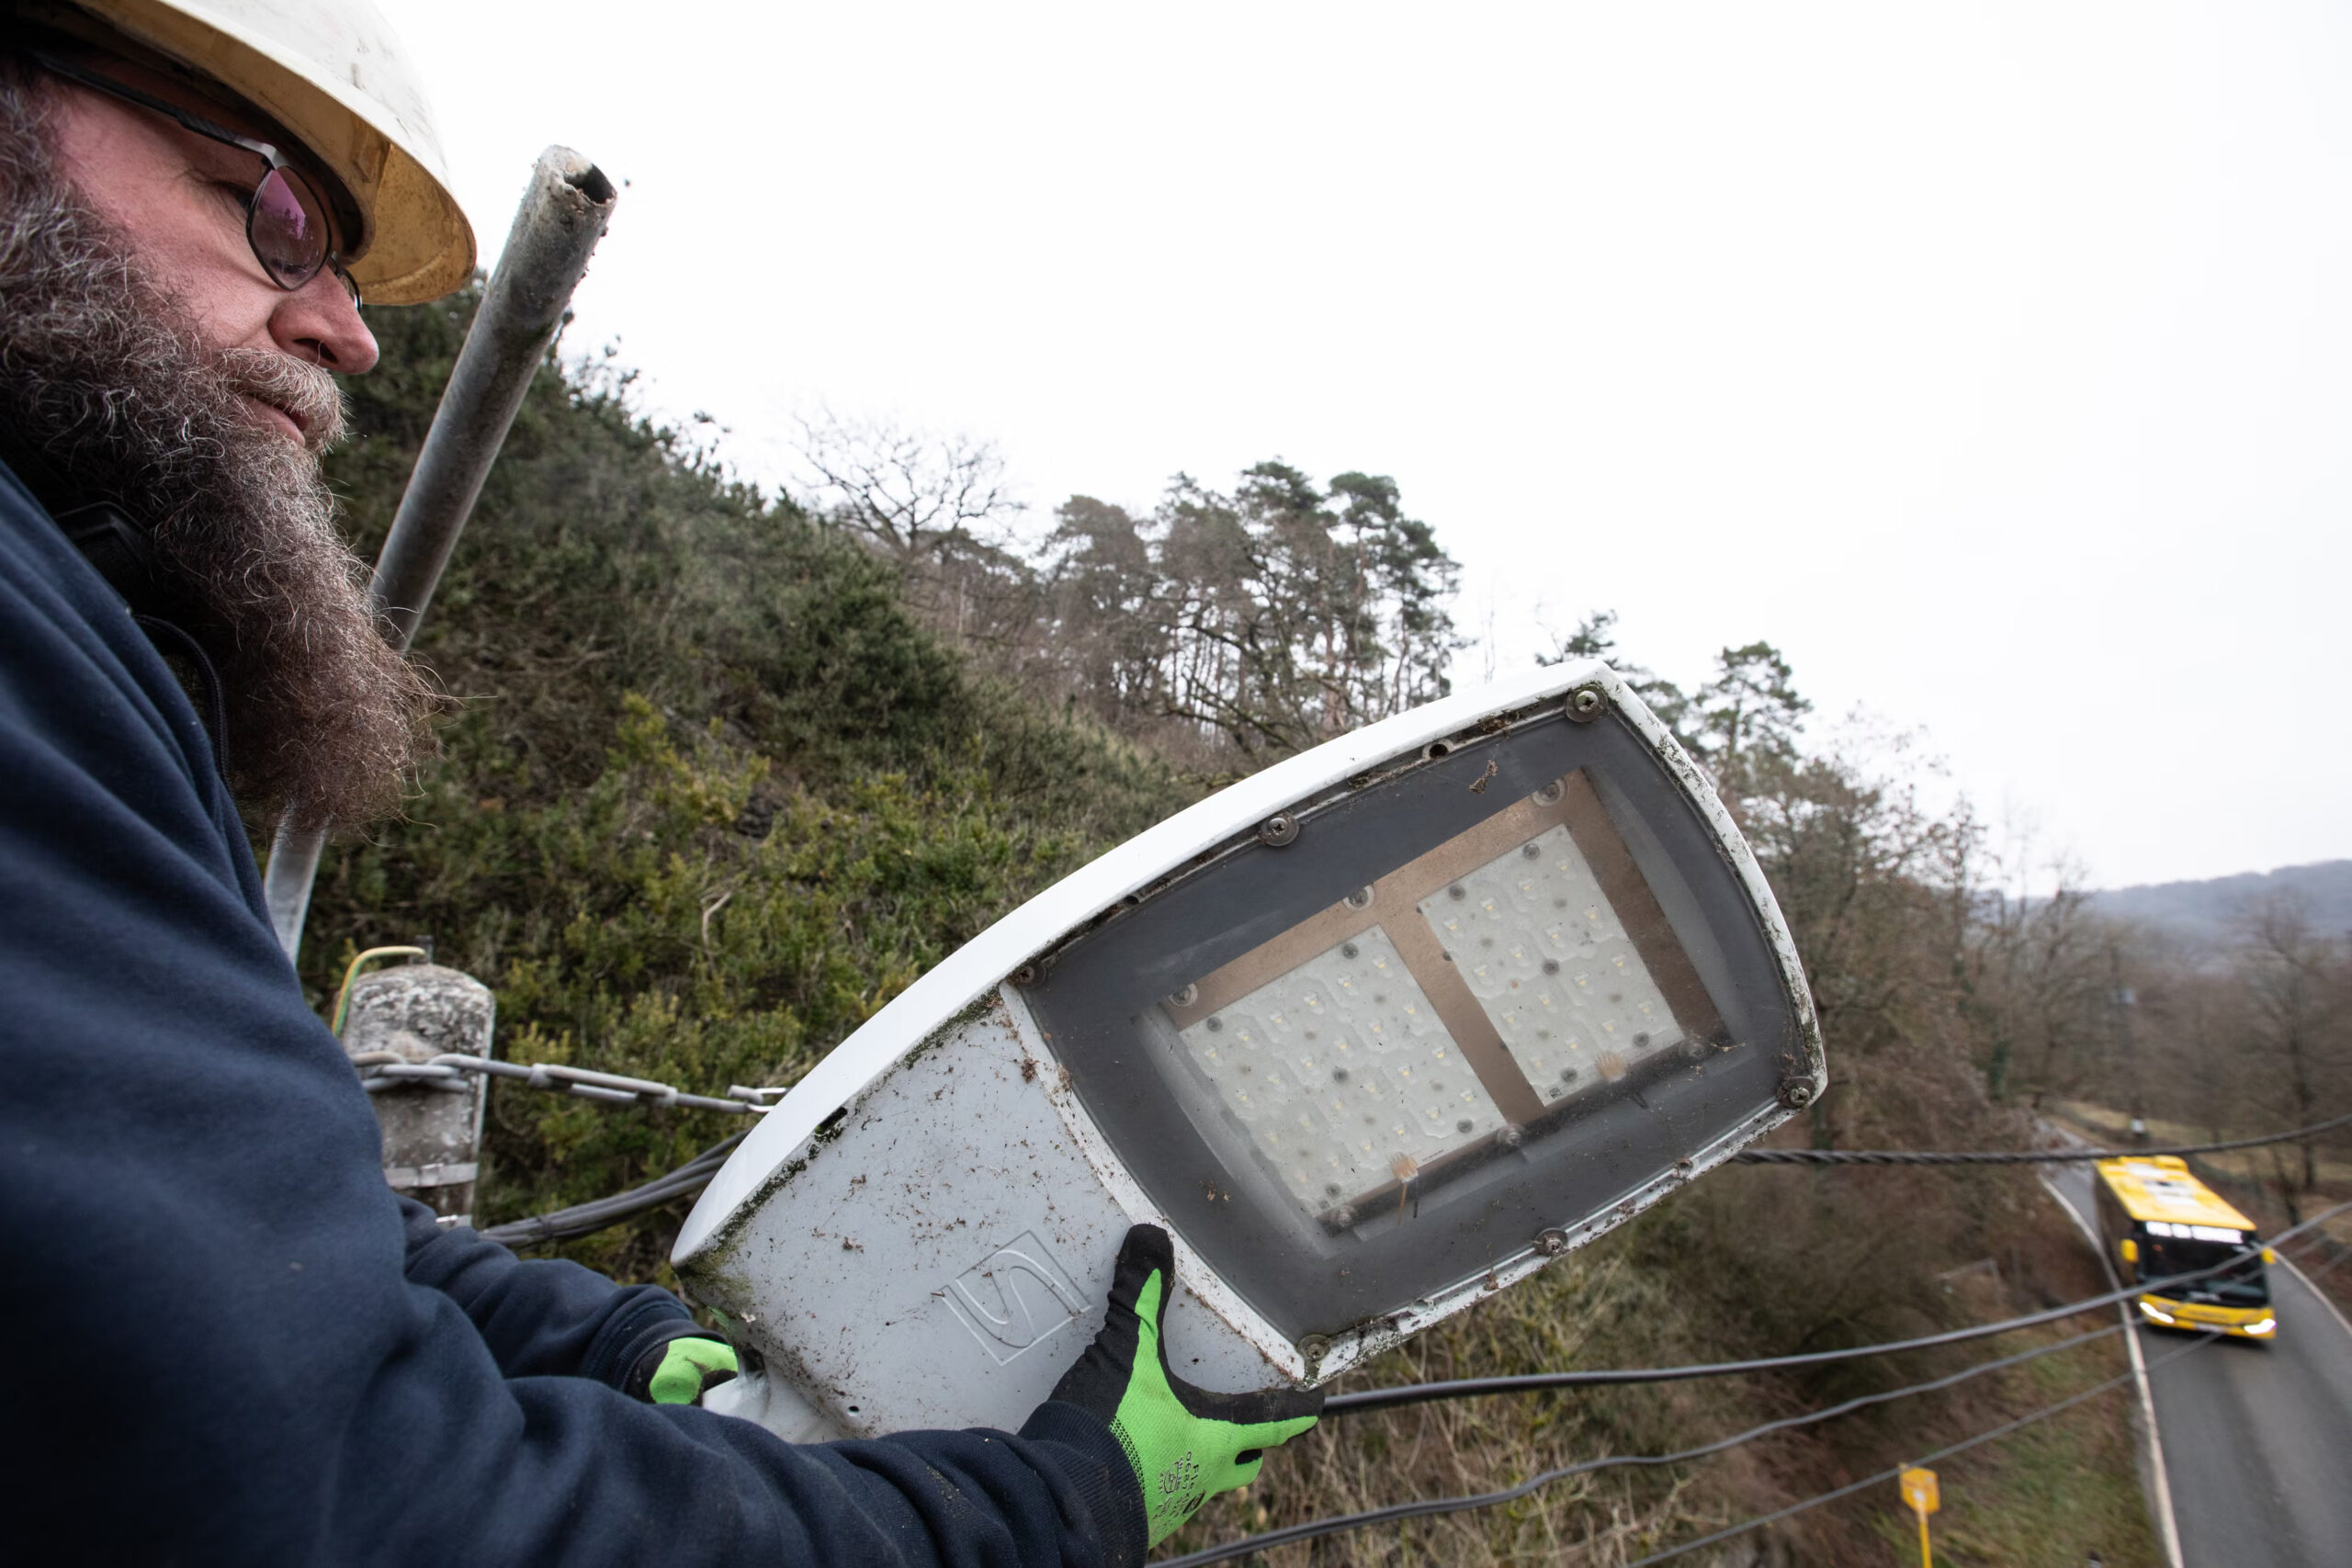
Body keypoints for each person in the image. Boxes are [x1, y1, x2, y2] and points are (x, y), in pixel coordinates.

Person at [0, 3, 1319, 1562]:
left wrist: (607, 1347)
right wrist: (1038, 1514)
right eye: (275, 211)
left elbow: (232, 1244)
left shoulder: (76, 632)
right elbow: (340, 1500)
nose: (349, 331)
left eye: (346, 264)